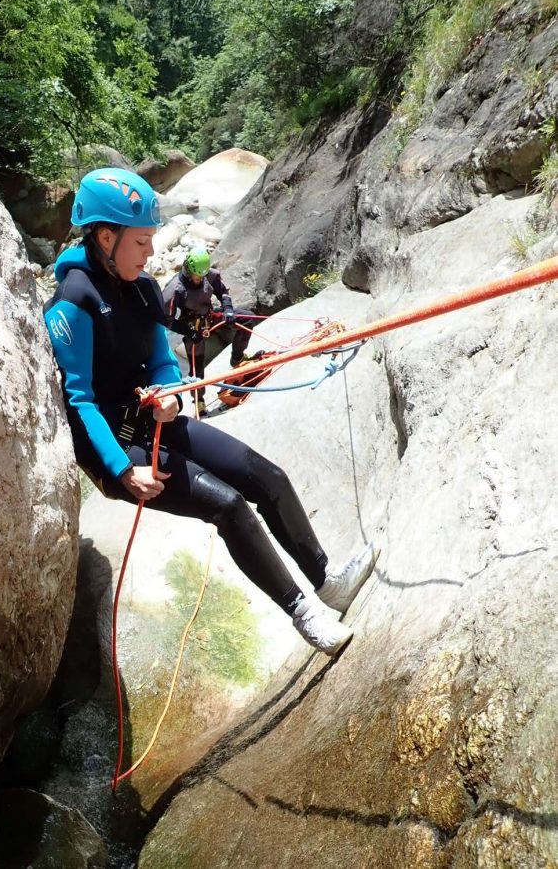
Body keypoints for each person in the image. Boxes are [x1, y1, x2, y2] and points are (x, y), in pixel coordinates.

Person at [43, 167, 376, 655]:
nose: (151, 253)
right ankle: (304, 614)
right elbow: (80, 402)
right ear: (106, 237)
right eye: (141, 243)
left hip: (154, 419)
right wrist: (120, 470)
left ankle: (326, 581)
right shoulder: (72, 304)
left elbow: (161, 359)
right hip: (114, 443)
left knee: (266, 477)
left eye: (152, 240)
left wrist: (170, 392)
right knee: (228, 506)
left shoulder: (143, 290)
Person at [163, 248, 256, 416]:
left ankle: (237, 358)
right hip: (192, 326)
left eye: (202, 277)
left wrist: (228, 309)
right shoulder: (174, 289)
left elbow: (222, 291)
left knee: (247, 318)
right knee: (196, 366)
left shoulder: (208, 274)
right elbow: (167, 320)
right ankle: (199, 400)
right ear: (189, 270)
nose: (200, 280)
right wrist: (189, 332)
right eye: (197, 277)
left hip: (210, 316)